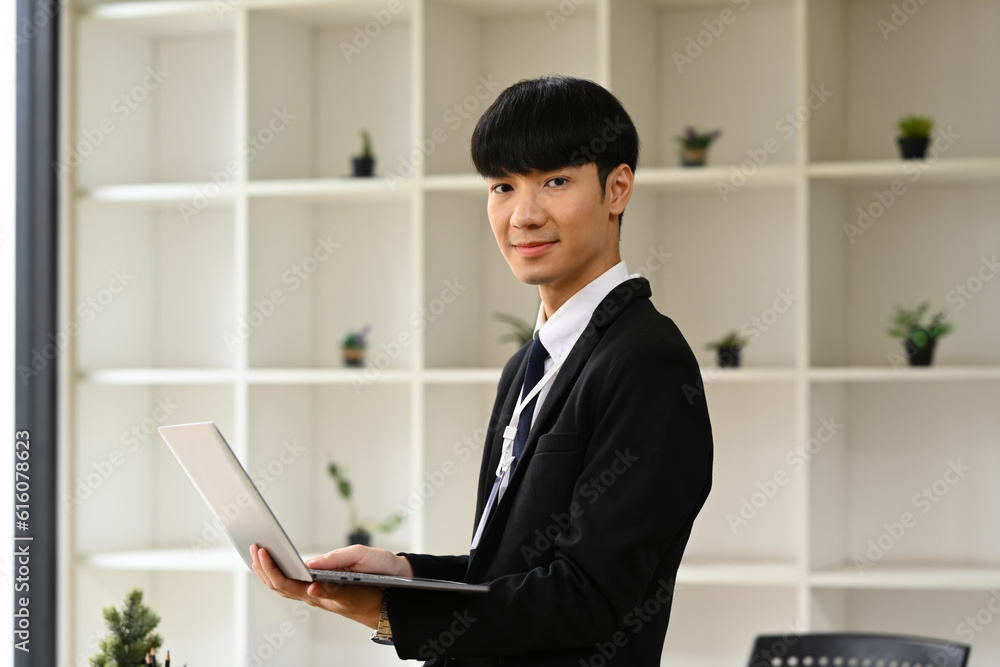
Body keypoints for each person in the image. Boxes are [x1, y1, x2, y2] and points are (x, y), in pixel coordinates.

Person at [251, 75, 714, 666]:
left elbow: (589, 596)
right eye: (502, 186)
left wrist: (390, 612)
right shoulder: (530, 363)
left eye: (555, 181)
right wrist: (402, 574)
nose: (522, 215)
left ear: (617, 188)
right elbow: (515, 570)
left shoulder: (646, 360)